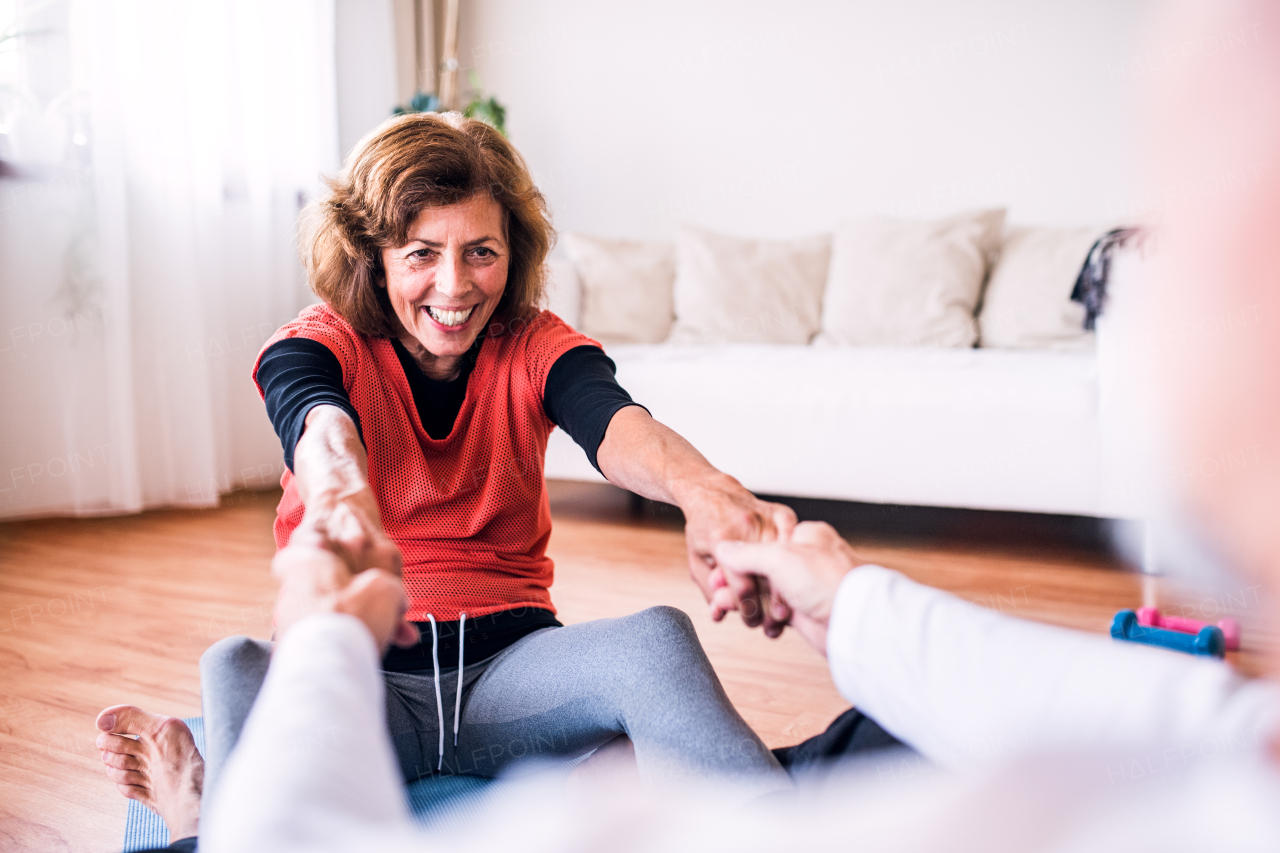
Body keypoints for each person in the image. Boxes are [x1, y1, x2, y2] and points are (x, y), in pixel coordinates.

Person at [94, 110, 802, 846]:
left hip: (510, 678)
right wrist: (341, 499)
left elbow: (615, 422)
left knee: (656, 639)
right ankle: (195, 816)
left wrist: (705, 490)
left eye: (481, 252)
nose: (456, 285)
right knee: (235, 665)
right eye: (423, 252)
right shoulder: (316, 345)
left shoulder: (533, 344)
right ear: (373, 254)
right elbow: (321, 429)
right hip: (364, 688)